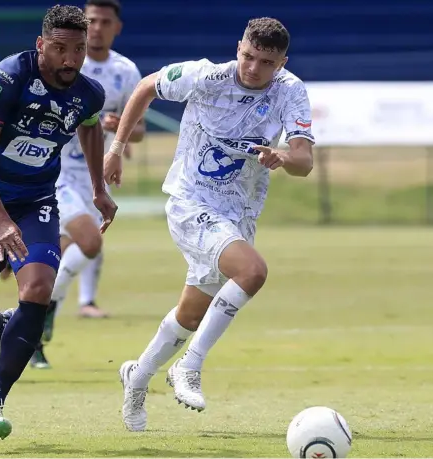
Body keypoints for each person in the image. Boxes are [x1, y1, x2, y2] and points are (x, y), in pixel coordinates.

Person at [103, 17, 315, 432]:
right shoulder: (205, 77)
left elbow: (304, 162)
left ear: (282, 62)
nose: (254, 68)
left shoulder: (291, 91)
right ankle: (190, 367)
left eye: (267, 63)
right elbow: (147, 85)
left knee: (191, 314)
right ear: (239, 47)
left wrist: (282, 157)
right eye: (249, 57)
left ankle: (137, 377)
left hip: (239, 214)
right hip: (190, 202)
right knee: (252, 271)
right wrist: (117, 147)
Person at [0, 5, 117, 439]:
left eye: (78, 50)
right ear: (41, 44)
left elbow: (91, 127)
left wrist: (99, 189)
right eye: (60, 49)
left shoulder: (89, 93)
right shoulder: (10, 77)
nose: (70, 60)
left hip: (37, 201)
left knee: (39, 288)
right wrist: (1, 221)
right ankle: (3, 329)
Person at [27, 0, 145, 369]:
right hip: (58, 171)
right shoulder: (64, 60)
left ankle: (35, 321)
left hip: (94, 174)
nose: (96, 27)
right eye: (91, 20)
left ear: (116, 28)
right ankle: (37, 315)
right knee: (90, 243)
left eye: (104, 21)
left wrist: (119, 132)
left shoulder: (125, 72)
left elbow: (138, 129)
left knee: (60, 258)